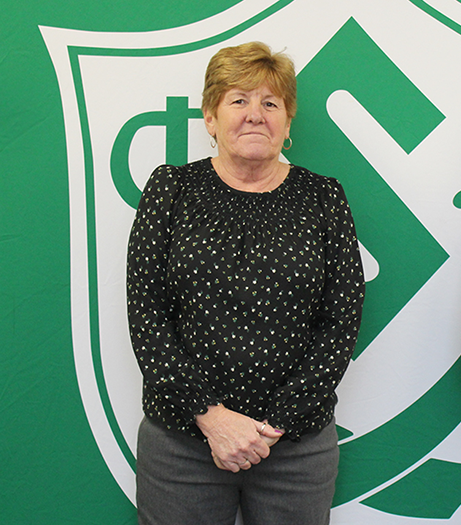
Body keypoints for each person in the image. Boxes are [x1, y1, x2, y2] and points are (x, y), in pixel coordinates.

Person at [126, 41, 365, 525]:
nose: (255, 114)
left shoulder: (323, 197)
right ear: (210, 118)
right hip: (182, 445)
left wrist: (274, 425)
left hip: (295, 448)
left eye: (270, 103)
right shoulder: (171, 189)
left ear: (288, 121)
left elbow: (341, 319)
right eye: (239, 100)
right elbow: (146, 313)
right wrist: (209, 416)